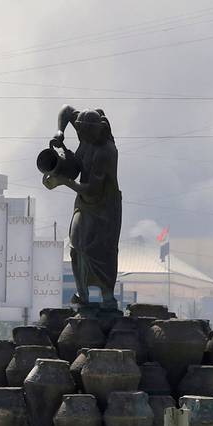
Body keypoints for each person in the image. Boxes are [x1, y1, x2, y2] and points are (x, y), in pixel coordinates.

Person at [43, 105, 122, 309]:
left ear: (96, 130)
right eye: (81, 133)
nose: (83, 138)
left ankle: (107, 297)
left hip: (104, 206)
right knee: (76, 246)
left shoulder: (106, 152)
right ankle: (83, 294)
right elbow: (66, 109)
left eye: (86, 134)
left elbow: (92, 189)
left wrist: (62, 181)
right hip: (84, 204)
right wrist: (60, 132)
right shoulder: (86, 131)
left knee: (101, 250)